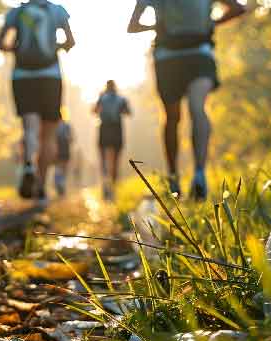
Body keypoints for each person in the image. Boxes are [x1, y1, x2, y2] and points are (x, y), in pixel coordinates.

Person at [128, 0, 246, 200]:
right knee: (197, 108)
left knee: (172, 118)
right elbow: (238, 8)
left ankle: (173, 177)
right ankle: (199, 174)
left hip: (168, 57)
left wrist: (157, 26)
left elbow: (133, 26)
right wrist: (211, 23)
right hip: (199, 55)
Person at [0, 0, 75, 203]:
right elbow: (70, 41)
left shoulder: (17, 12)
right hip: (50, 76)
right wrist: (55, 46)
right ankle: (41, 185)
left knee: (30, 127)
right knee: (48, 135)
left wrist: (15, 49)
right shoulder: (56, 11)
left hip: (22, 76)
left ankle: (29, 163)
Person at [94, 80, 131, 201]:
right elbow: (128, 112)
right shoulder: (121, 99)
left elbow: (94, 111)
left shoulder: (101, 97)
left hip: (104, 129)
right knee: (116, 159)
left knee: (103, 158)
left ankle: (105, 184)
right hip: (116, 129)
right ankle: (113, 187)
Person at [54, 117, 74, 197]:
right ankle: (61, 184)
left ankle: (58, 183)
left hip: (58, 147)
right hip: (65, 147)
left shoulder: (55, 124)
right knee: (64, 167)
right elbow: (71, 138)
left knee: (58, 166)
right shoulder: (67, 125)